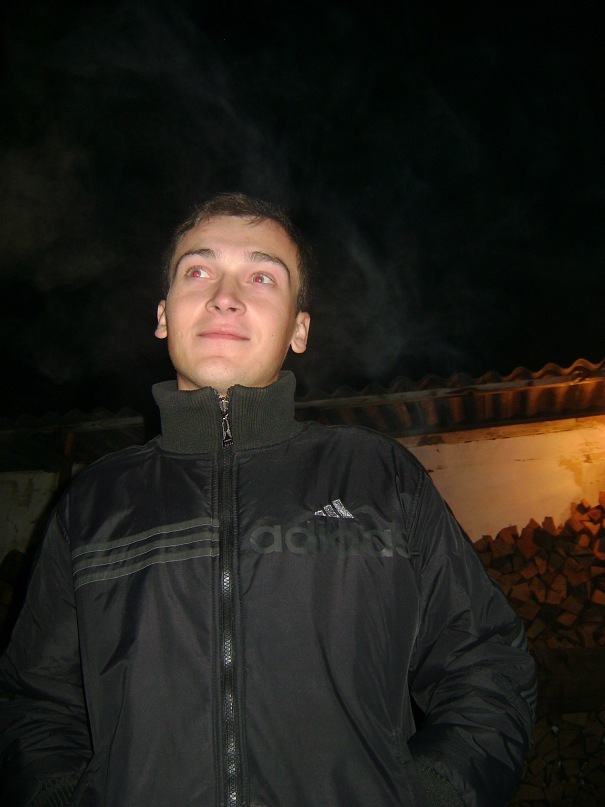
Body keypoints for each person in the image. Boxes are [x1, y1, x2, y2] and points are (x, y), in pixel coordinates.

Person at [0, 192, 536, 806]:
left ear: (298, 329)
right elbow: (34, 703)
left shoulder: (379, 478)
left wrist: (430, 795)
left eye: (261, 277)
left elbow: (487, 665)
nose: (224, 296)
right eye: (198, 271)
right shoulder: (94, 503)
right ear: (163, 316)